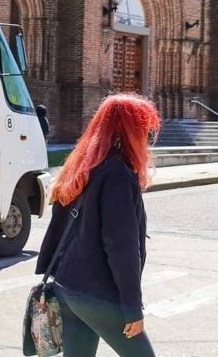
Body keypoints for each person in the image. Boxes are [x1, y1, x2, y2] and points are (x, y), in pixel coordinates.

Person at [36, 93, 159, 357]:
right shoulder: (118, 176)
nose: (147, 138)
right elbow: (120, 246)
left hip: (68, 287)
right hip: (98, 294)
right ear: (130, 131)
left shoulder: (84, 166)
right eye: (144, 130)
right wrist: (132, 307)